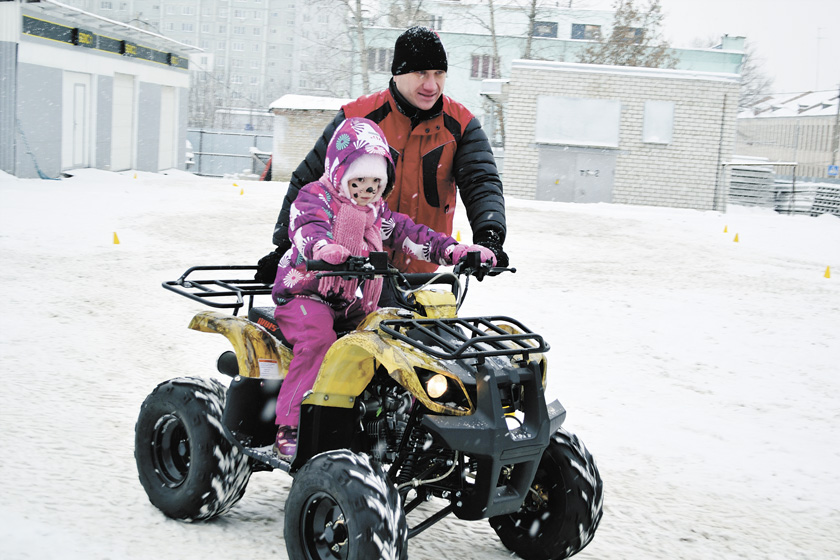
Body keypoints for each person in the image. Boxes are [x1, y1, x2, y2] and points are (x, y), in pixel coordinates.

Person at [271, 116, 495, 459]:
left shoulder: (376, 213)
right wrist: (323, 249)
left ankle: (392, 421)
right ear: (339, 173)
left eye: (376, 182)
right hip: (305, 293)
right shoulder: (315, 197)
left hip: (351, 301)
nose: (367, 190)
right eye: (358, 181)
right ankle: (291, 424)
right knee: (317, 339)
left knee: (396, 336)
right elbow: (306, 227)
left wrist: (455, 251)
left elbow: (412, 234)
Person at [255, 26, 508, 286]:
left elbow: (482, 182)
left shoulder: (461, 125)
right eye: (421, 73)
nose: (431, 85)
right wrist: (284, 246)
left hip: (421, 271)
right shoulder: (357, 118)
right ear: (397, 73)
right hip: (353, 269)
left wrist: (489, 238)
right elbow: (308, 182)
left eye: (439, 73)